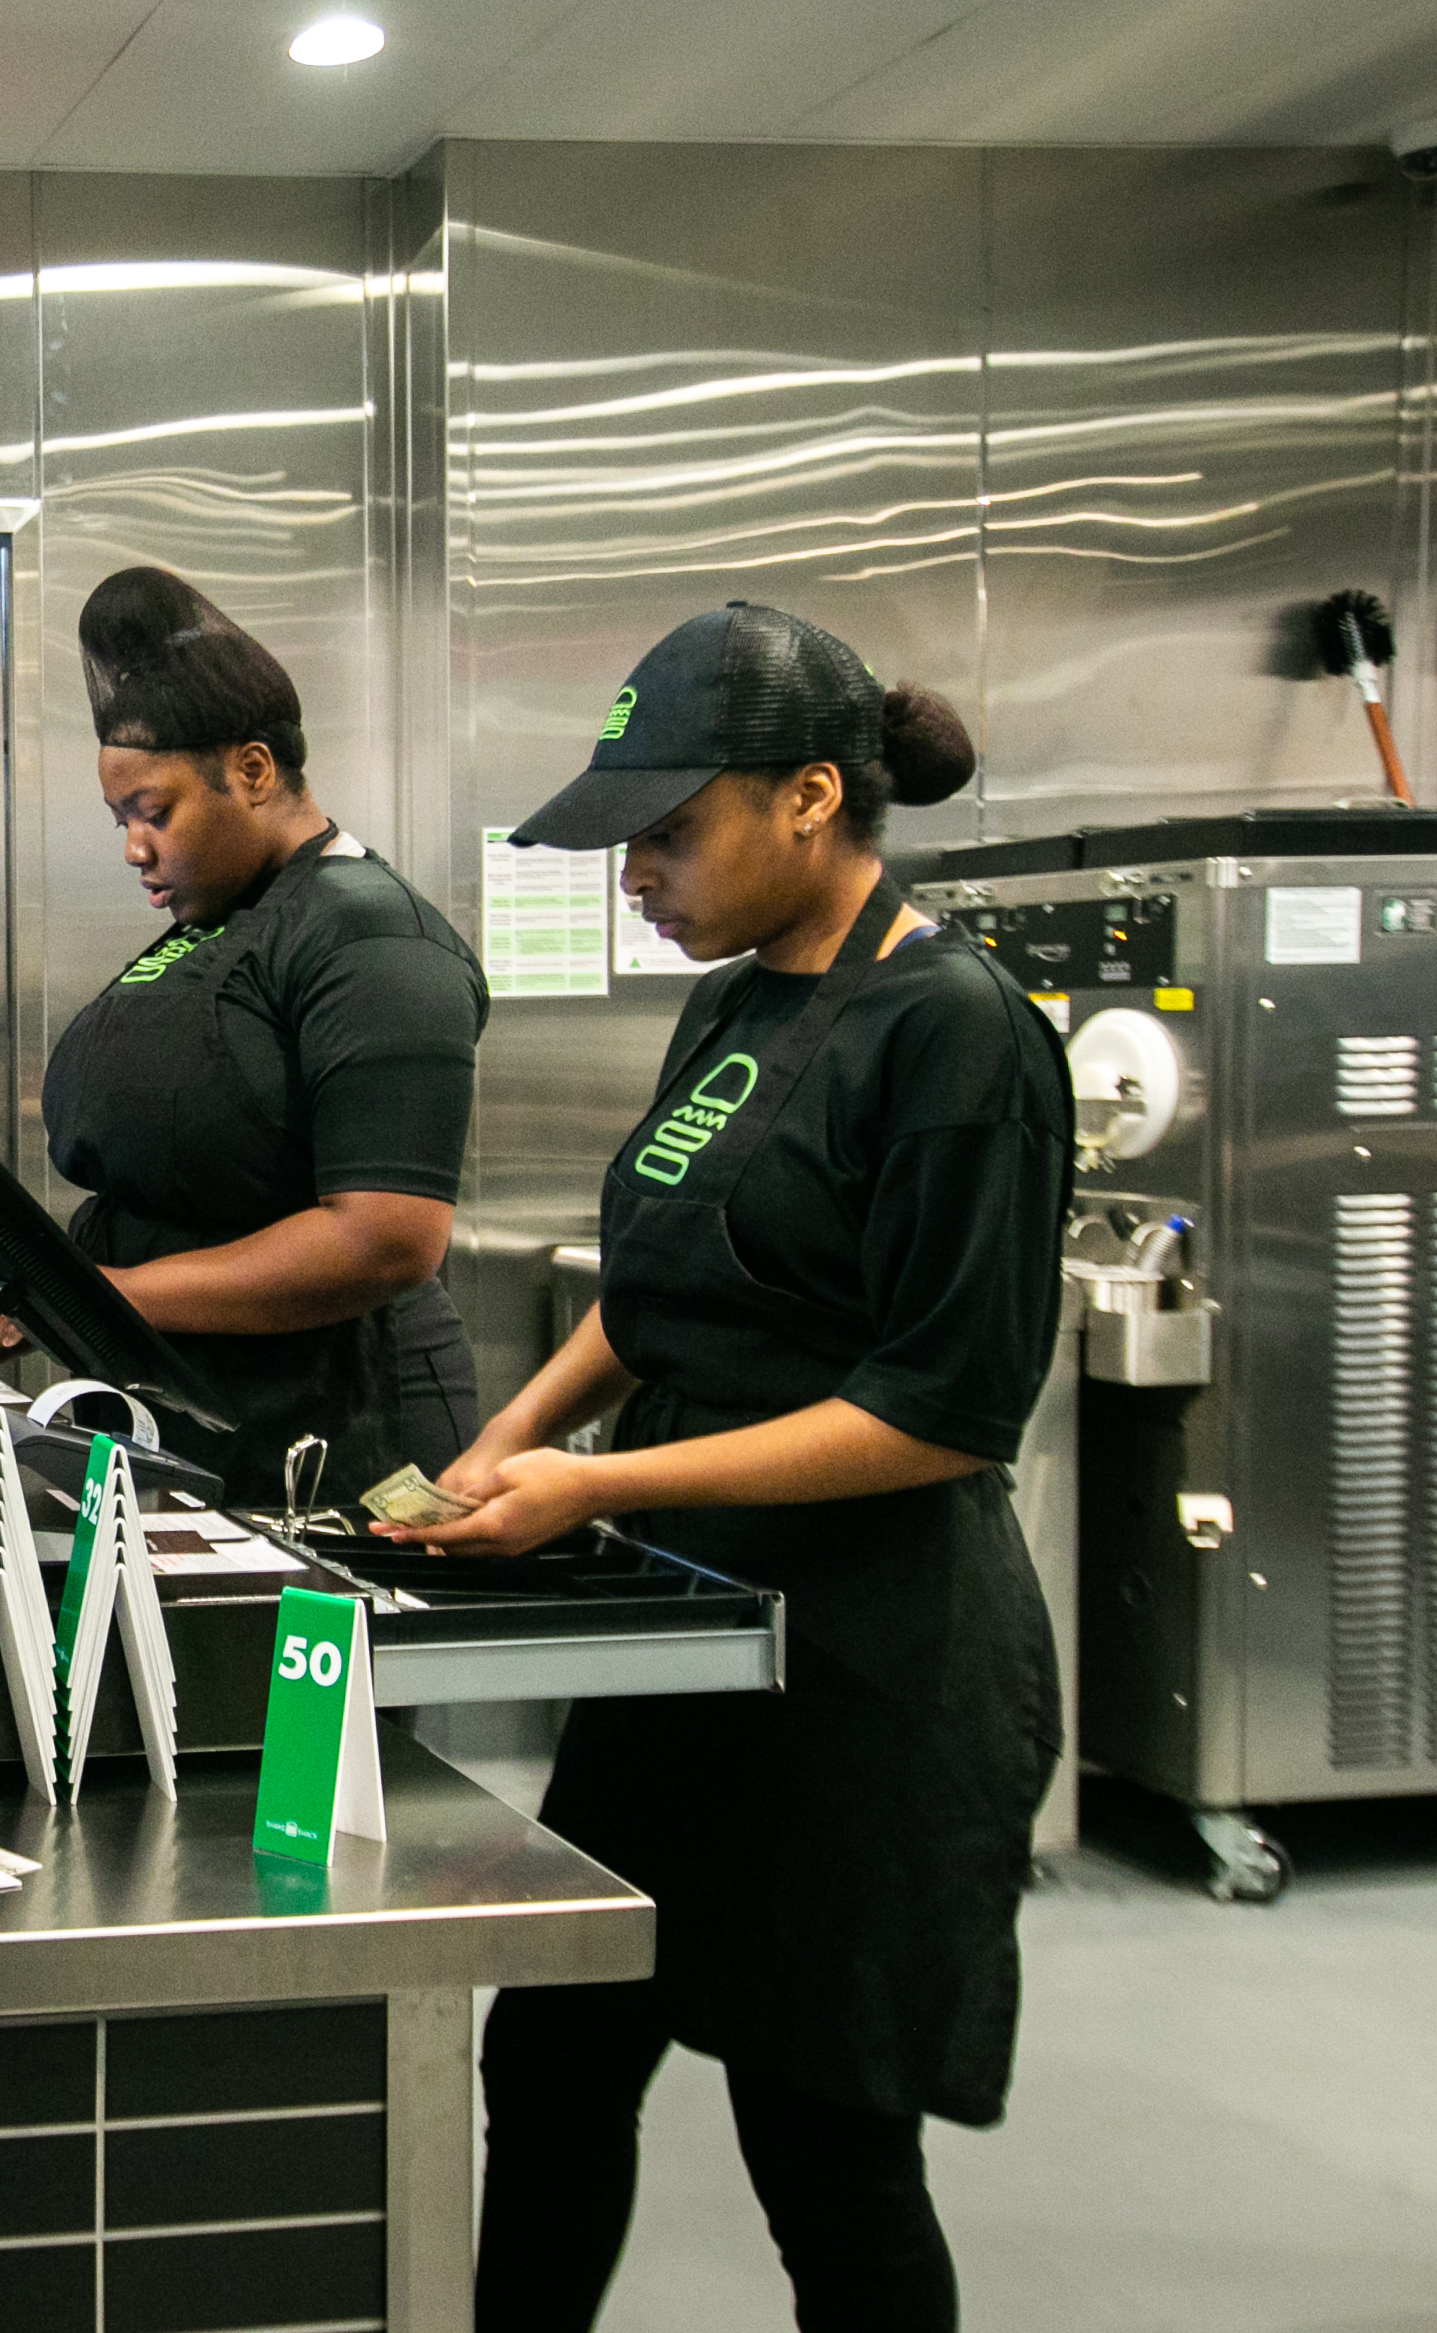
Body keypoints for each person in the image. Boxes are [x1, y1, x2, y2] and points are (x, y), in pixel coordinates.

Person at [389, 602, 1066, 2332]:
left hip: (868, 1665)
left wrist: (599, 1490)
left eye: (670, 831)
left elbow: (944, 1407)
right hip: (691, 1638)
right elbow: (660, 1288)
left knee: (825, 2148)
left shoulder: (958, 1031)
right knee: (552, 2055)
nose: (639, 874)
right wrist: (511, 1432)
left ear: (814, 798)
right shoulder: (734, 1012)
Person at [0, 567, 488, 1507]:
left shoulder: (371, 936)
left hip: (338, 1445)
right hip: (199, 1420)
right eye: (121, 820)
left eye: (155, 813)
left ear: (254, 770)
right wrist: (18, 1310)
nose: (133, 850)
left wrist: (92, 1295)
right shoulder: (221, 923)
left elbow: (385, 1239)